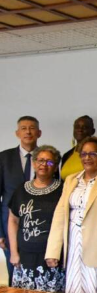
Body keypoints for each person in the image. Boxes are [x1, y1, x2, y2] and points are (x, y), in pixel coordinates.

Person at [46, 137, 97, 293]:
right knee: (75, 287)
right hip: (73, 244)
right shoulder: (71, 180)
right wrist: (53, 251)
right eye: (83, 154)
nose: (87, 158)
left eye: (93, 153)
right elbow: (60, 215)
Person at [8, 145, 64, 291]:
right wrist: (14, 252)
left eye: (50, 162)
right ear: (33, 163)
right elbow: (13, 221)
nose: (44, 165)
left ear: (56, 167)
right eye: (40, 160)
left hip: (52, 257)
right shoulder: (21, 190)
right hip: (24, 256)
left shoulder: (63, 190)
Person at [0, 116, 42, 281]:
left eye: (32, 128)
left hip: (39, 226)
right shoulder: (4, 158)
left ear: (39, 132)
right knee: (14, 271)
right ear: (17, 133)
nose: (28, 131)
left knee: (37, 273)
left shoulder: (47, 158)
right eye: (24, 128)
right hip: (9, 224)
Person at [61, 115, 95, 180]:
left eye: (85, 127)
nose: (80, 129)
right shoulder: (67, 155)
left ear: (93, 131)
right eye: (77, 127)